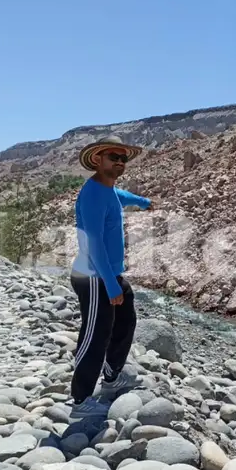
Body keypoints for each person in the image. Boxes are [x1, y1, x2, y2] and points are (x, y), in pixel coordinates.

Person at [68, 134, 153, 420]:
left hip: (109, 273)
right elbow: (94, 245)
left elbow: (122, 196)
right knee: (95, 335)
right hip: (93, 276)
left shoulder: (109, 190)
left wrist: (143, 202)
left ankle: (112, 377)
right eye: (112, 157)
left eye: (122, 158)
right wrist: (110, 283)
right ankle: (80, 401)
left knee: (125, 321)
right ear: (97, 160)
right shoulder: (92, 194)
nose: (118, 162)